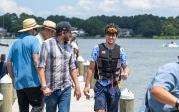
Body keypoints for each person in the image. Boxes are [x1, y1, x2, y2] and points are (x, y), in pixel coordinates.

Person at [83, 23, 129, 112]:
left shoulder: (121, 50)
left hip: (114, 86)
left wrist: (126, 73)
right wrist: (87, 85)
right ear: (105, 35)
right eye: (109, 34)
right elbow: (90, 69)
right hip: (100, 85)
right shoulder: (97, 49)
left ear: (116, 36)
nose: (111, 37)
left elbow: (126, 67)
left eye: (113, 35)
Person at [38, 21, 81, 112]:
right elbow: (41, 67)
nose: (71, 35)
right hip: (51, 89)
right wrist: (44, 87)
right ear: (63, 32)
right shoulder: (46, 44)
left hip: (66, 88)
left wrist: (77, 86)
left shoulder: (70, 46)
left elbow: (72, 68)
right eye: (70, 33)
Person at [7, 18, 43, 112]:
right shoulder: (34, 40)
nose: (36, 31)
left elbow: (8, 62)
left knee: (23, 109)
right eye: (36, 29)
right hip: (33, 82)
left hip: (19, 83)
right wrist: (43, 80)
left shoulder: (15, 42)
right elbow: (36, 60)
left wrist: (13, 78)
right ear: (32, 29)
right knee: (38, 107)